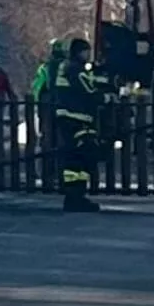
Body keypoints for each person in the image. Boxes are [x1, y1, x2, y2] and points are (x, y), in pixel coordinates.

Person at [54, 39, 111, 212]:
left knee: (77, 157)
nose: (88, 55)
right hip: (77, 119)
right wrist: (106, 98)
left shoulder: (69, 68)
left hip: (71, 117)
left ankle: (75, 196)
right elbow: (88, 91)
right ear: (79, 52)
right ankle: (75, 196)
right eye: (86, 51)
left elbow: (91, 81)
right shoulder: (75, 69)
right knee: (80, 156)